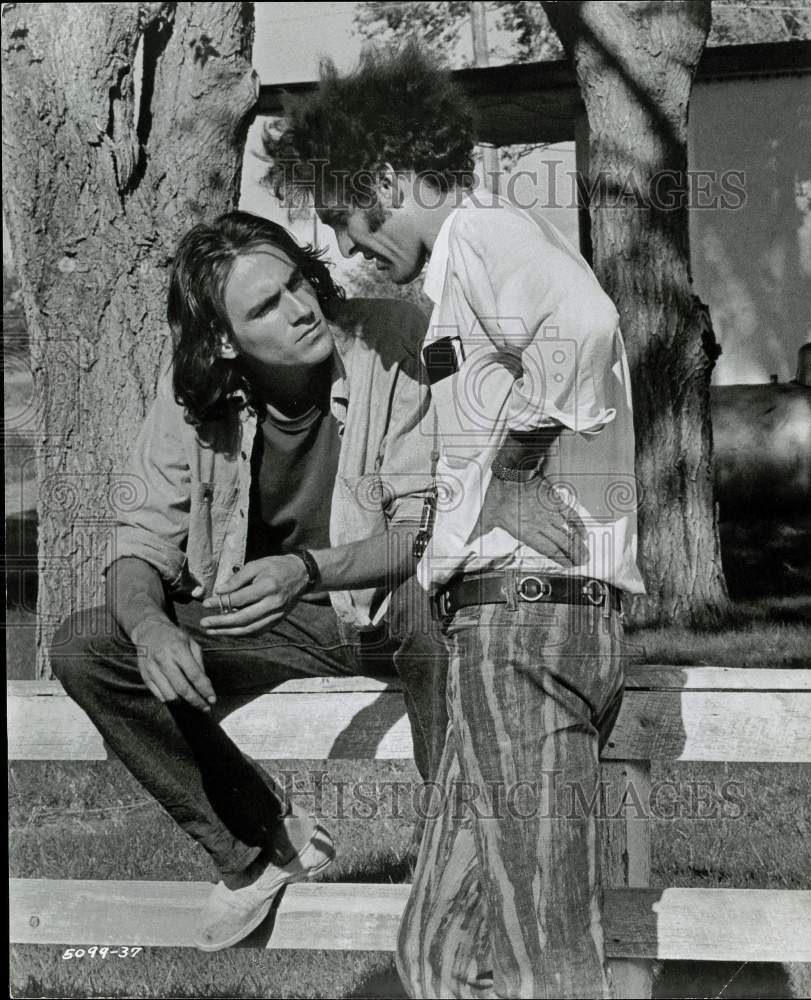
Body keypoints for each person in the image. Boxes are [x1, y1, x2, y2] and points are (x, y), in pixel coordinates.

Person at [265, 43, 645, 999]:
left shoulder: (484, 234)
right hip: (493, 628)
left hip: (528, 620)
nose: (350, 256)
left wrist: (517, 470)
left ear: (392, 176)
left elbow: (587, 325)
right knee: (437, 953)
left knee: (536, 950)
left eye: (351, 226)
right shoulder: (459, 277)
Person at [50, 210, 447, 952]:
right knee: (86, 645)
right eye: (266, 305)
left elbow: (418, 533)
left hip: (384, 603)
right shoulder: (191, 389)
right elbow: (140, 540)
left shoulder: (392, 342)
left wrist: (305, 571)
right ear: (226, 339)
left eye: (298, 282)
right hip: (265, 618)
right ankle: (263, 843)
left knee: (438, 620)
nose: (301, 308)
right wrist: (152, 625)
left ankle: (463, 864)